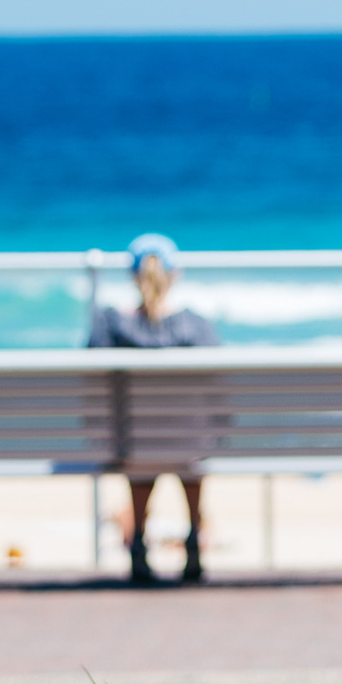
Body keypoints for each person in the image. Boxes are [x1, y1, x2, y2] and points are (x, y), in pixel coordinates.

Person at [88, 234, 220, 585]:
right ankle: (194, 537)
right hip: (189, 444)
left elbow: (91, 377)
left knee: (143, 443)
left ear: (133, 276)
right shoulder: (195, 326)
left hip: (134, 444)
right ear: (174, 274)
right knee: (188, 441)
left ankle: (139, 546)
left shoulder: (112, 325)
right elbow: (219, 385)